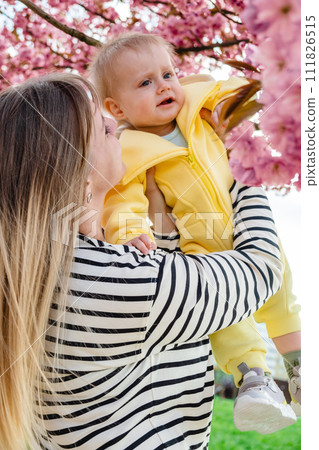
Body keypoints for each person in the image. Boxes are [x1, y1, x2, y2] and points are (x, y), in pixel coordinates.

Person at [0, 73, 284, 449]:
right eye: (104, 131)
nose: (116, 126)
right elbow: (261, 268)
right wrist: (242, 170)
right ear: (81, 173)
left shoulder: (52, 268)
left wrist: (160, 232)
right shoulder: (109, 282)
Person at [89, 32, 301, 432]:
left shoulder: (199, 114)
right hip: (199, 243)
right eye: (145, 82)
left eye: (168, 74)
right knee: (227, 315)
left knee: (282, 294)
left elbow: (239, 95)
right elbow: (123, 199)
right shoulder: (130, 148)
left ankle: (301, 368)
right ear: (116, 107)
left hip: (244, 225)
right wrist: (131, 230)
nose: (164, 85)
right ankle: (254, 380)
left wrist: (224, 89)